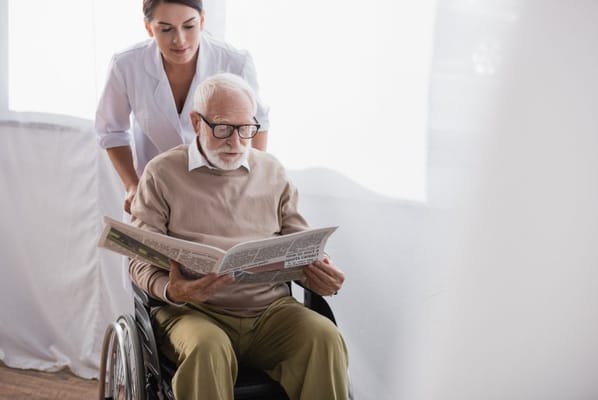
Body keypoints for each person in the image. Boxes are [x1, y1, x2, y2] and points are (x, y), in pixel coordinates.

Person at [129, 73, 348, 400]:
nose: (236, 142)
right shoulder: (162, 173)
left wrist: (322, 274)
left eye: (246, 129)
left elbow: (303, 247)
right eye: (222, 128)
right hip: (193, 311)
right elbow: (139, 261)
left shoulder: (272, 172)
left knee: (323, 337)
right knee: (207, 347)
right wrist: (171, 289)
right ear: (196, 122)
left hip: (269, 313)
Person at [95, 0, 269, 213]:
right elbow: (111, 131)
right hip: (154, 192)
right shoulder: (126, 65)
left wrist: (245, 184)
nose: (180, 40)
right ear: (149, 28)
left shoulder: (234, 62)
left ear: (202, 21)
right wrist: (132, 185)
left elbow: (258, 124)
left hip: (220, 192)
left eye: (189, 26)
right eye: (166, 29)